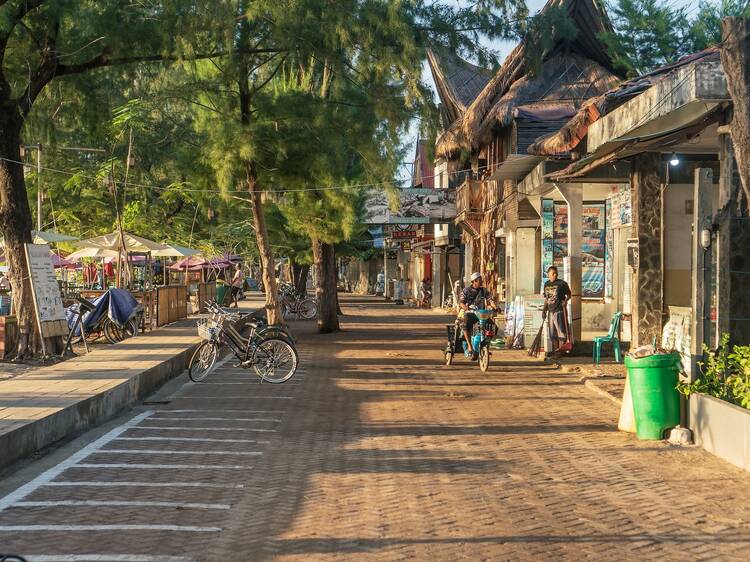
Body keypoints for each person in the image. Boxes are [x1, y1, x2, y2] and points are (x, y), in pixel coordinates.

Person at [459, 272, 496, 359]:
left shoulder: (483, 290)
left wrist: (495, 306)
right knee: (465, 324)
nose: (481, 282)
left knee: (493, 327)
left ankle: (485, 345)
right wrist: (465, 307)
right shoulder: (466, 291)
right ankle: (469, 346)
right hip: (470, 313)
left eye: (481, 280)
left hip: (482, 314)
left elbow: (490, 299)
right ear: (474, 281)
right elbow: (461, 302)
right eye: (479, 280)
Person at [543, 265, 572, 353]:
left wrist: (566, 301)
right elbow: (546, 299)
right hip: (550, 311)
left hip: (559, 310)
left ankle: (560, 352)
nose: (555, 275)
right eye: (553, 273)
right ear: (548, 274)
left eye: (556, 273)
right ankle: (556, 350)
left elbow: (569, 294)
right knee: (552, 334)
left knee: (561, 332)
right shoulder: (546, 284)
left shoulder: (562, 283)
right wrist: (544, 310)